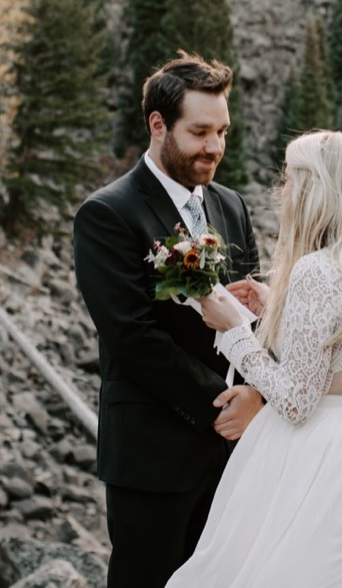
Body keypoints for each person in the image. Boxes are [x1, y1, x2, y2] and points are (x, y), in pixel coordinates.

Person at [166, 130, 342, 588]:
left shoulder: (317, 270)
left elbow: (297, 400)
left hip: (319, 454)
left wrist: (234, 332)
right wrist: (275, 301)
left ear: (320, 188)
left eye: (294, 178)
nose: (285, 191)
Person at [73, 52, 264, 588]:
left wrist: (255, 394)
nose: (215, 147)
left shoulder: (232, 206)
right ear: (158, 125)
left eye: (223, 131)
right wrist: (222, 406)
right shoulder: (108, 214)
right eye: (200, 131)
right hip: (154, 454)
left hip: (234, 449)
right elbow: (132, 337)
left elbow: (250, 313)